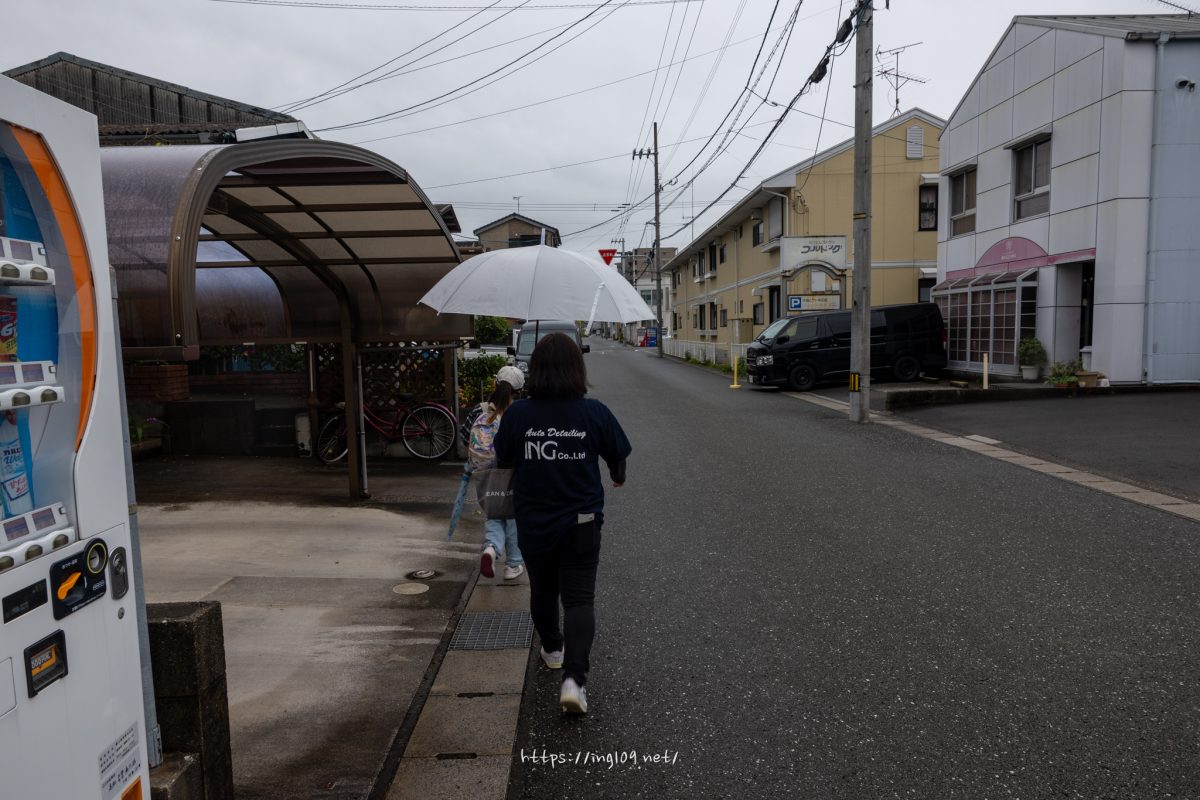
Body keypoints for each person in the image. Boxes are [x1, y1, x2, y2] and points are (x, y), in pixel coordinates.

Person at [494, 333, 631, 714]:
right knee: (579, 599)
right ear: (577, 369)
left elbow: (503, 458)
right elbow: (618, 457)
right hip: (581, 522)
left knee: (543, 589)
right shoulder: (594, 412)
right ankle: (574, 681)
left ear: (534, 371)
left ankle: (553, 649)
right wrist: (617, 475)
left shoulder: (519, 414)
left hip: (533, 520)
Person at [469, 365, 526, 581]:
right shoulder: (519, 413)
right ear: (519, 391)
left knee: (494, 513)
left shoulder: (479, 410)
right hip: (510, 471)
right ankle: (513, 565)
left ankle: (491, 548)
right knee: (512, 517)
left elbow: (465, 434)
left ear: (495, 384)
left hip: (485, 472)